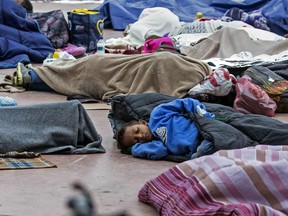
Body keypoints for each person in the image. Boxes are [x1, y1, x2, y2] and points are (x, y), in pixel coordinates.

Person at [116, 98, 215, 160]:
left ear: (142, 122)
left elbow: (186, 103)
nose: (141, 136)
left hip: (204, 129)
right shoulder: (157, 144)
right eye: (136, 140)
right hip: (201, 146)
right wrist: (134, 149)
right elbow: (159, 151)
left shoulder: (157, 114)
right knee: (197, 158)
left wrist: (203, 115)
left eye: (137, 131)